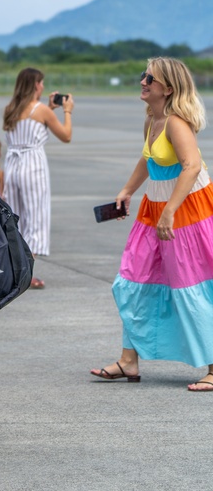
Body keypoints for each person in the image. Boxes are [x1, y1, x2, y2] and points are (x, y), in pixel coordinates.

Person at [90, 58, 213, 392]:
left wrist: (170, 211)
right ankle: (129, 360)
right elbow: (148, 158)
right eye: (144, 76)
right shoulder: (153, 120)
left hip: (186, 212)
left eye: (150, 78)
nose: (142, 81)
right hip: (155, 208)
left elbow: (190, 167)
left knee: (193, 285)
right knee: (134, 280)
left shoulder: (176, 122)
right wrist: (128, 190)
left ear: (168, 88)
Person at [2, 68, 74, 288]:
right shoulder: (41, 110)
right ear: (35, 85)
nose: (43, 87)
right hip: (32, 165)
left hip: (12, 166)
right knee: (35, 219)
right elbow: (66, 136)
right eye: (41, 83)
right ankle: (26, 274)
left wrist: (49, 108)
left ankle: (13, 270)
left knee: (16, 218)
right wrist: (67, 111)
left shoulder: (11, 109)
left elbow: (30, 123)